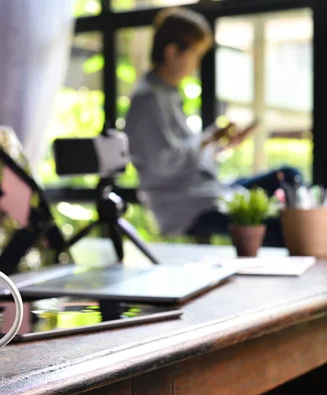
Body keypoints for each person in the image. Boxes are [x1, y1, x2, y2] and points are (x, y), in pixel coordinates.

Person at [123, 7, 301, 246]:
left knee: (288, 176)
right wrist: (205, 141)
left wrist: (219, 142)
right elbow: (163, 165)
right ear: (172, 52)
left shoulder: (169, 95)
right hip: (186, 203)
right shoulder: (147, 100)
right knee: (280, 226)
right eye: (195, 54)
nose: (196, 64)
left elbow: (188, 156)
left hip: (207, 190)